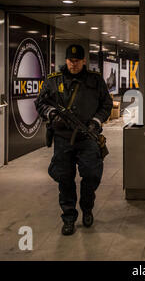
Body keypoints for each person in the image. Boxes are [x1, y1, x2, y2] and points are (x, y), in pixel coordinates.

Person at [35, 44, 113, 236]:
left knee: (92, 175)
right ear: (67, 60)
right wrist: (53, 114)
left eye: (78, 61)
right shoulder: (54, 80)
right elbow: (40, 102)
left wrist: (96, 121)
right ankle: (69, 217)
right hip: (63, 139)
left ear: (84, 61)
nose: (74, 64)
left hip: (87, 137)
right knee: (64, 178)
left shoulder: (94, 80)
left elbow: (106, 103)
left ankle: (87, 208)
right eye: (71, 60)